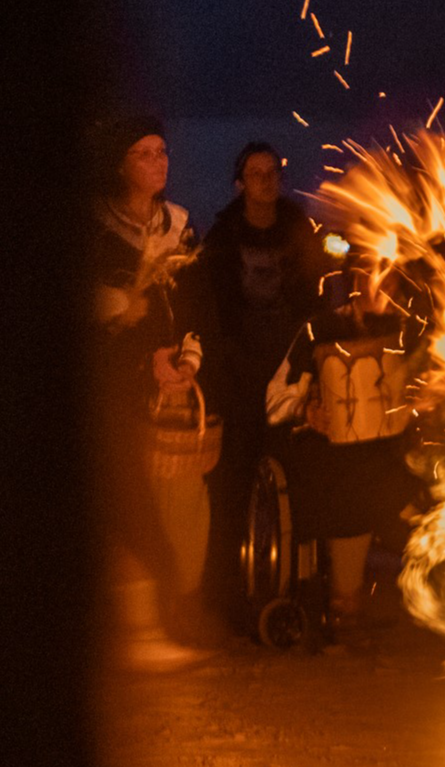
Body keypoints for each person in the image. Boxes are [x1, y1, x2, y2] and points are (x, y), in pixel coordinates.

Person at [86, 114, 214, 668]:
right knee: (126, 506)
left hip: (165, 389)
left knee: (166, 506)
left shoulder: (179, 228)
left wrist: (185, 357)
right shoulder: (93, 229)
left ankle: (160, 620)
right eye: (144, 153)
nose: (159, 161)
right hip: (111, 386)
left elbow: (191, 307)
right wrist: (119, 309)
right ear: (120, 163)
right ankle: (135, 631)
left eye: (162, 150)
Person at [196, 142, 328, 630]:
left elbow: (313, 300)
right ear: (240, 182)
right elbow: (212, 311)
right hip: (237, 375)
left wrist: (307, 367)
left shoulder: (298, 229)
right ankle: (227, 596)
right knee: (232, 484)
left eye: (273, 172)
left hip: (290, 372)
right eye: (256, 173)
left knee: (299, 476)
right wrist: (226, 375)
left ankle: (302, 589)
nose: (267, 181)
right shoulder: (225, 236)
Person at [263, 256, 430, 631]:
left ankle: (443, 596)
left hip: (397, 454)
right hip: (336, 459)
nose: (380, 283)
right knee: (357, 483)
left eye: (390, 275)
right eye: (372, 272)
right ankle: (346, 600)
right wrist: (306, 410)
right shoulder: (321, 329)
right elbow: (276, 398)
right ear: (356, 277)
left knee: (437, 473)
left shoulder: (410, 333)